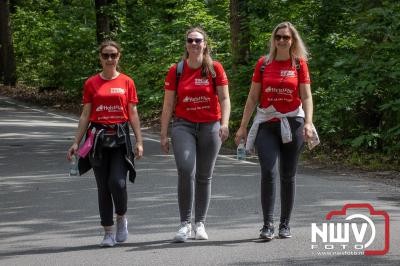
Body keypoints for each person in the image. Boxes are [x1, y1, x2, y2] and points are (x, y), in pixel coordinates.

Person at [235, 22, 315, 240]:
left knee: (288, 175)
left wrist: (308, 122)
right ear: (273, 39)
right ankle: (267, 225)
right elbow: (252, 97)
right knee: (268, 173)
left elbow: (306, 96)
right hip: (267, 125)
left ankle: (285, 224)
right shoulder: (263, 64)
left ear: (292, 41)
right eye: (278, 37)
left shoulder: (299, 65)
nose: (281, 40)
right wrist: (243, 126)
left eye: (286, 38)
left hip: (293, 123)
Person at [67, 40, 143, 247]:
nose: (110, 59)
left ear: (119, 57)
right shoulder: (91, 83)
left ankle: (121, 218)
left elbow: (133, 113)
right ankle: (108, 232)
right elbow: (85, 115)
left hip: (119, 138)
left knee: (117, 183)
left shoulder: (127, 82)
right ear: (100, 58)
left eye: (113, 55)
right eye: (105, 55)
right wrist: (75, 142)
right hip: (97, 139)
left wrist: (139, 141)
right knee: (103, 187)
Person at [160, 27, 230, 242]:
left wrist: (225, 123)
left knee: (204, 175)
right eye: (190, 40)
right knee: (185, 169)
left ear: (205, 44)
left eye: (198, 40)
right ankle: (184, 224)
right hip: (184, 125)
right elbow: (169, 103)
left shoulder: (215, 68)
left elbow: (225, 99)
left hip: (210, 126)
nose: (194, 44)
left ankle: (199, 223)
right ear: (186, 44)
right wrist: (163, 133)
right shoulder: (177, 70)